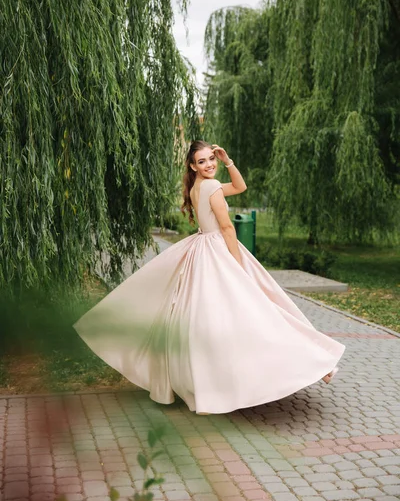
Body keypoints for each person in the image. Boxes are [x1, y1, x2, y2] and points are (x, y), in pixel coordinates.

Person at [74, 140, 345, 414]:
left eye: (211, 159)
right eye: (202, 161)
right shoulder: (211, 187)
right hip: (219, 251)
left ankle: (214, 383)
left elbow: (240, 187)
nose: (209, 164)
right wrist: (238, 266)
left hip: (202, 249)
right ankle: (310, 365)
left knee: (212, 317)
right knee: (256, 312)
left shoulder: (198, 187)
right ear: (193, 165)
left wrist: (228, 161)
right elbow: (227, 227)